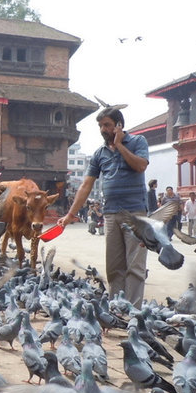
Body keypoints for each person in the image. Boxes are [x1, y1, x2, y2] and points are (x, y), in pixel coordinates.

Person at [59, 104, 149, 306]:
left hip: (135, 213)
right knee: (114, 266)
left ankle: (133, 311)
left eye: (107, 125)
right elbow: (86, 185)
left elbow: (140, 165)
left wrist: (120, 146)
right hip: (110, 213)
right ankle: (116, 306)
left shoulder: (137, 141)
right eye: (100, 126)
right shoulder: (99, 153)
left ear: (119, 125)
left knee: (135, 265)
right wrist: (70, 214)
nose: (102, 130)